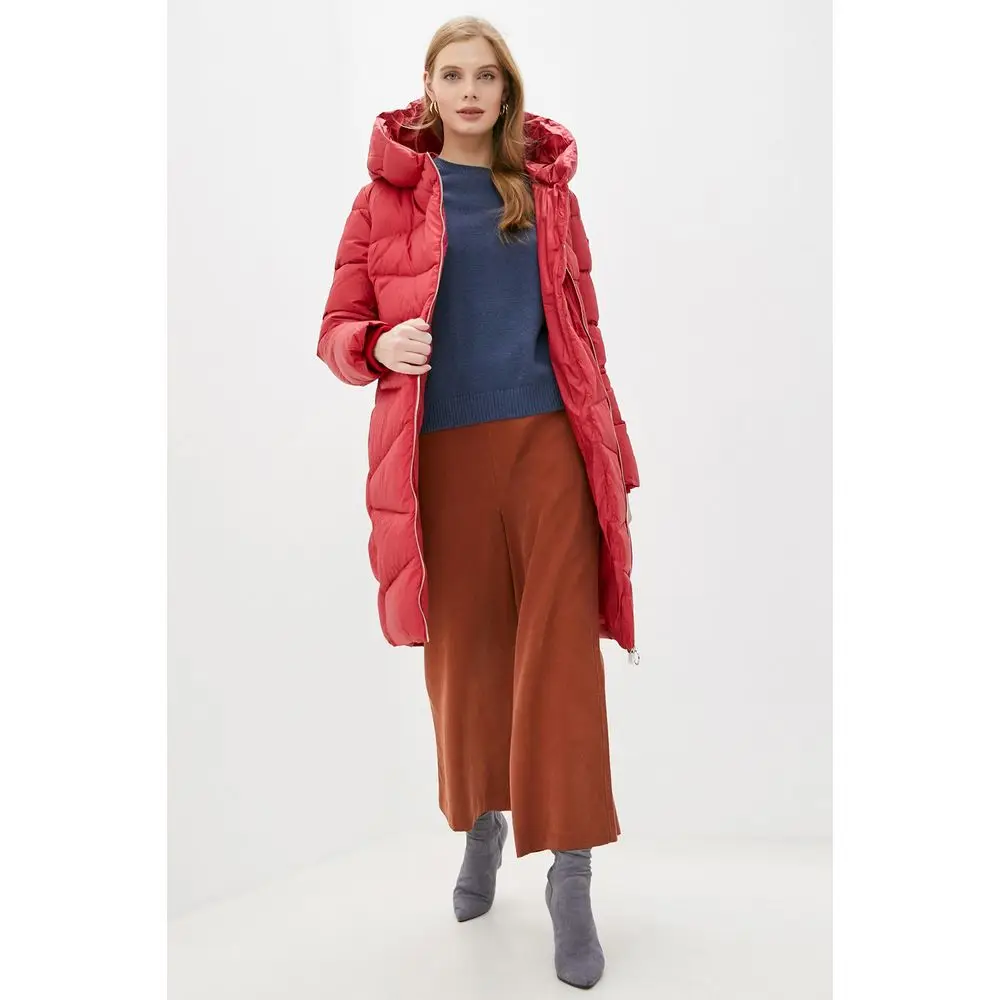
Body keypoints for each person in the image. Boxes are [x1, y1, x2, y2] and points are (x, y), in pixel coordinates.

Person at [316, 15, 640, 990]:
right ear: (428, 86)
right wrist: (376, 346)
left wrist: (613, 453)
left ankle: (572, 876)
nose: (468, 91)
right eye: (452, 74)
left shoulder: (546, 194)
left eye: (485, 76)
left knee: (561, 658)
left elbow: (584, 333)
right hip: (444, 453)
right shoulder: (383, 201)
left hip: (548, 444)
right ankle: (483, 822)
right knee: (466, 657)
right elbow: (337, 328)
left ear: (506, 91)